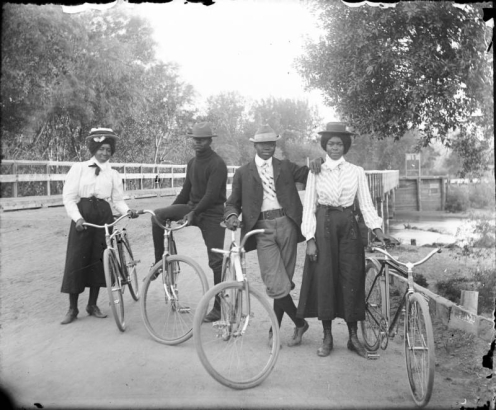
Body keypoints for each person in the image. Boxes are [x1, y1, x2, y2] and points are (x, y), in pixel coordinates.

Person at [297, 121, 396, 358]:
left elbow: (366, 203)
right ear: (324, 145)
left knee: (353, 276)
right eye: (330, 143)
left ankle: (353, 337)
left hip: (349, 226)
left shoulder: (356, 172)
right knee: (325, 279)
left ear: (346, 145)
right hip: (323, 226)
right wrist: (310, 238)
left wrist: (377, 228)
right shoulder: (316, 171)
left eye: (339, 143)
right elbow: (309, 206)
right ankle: (328, 336)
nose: (334, 148)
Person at [224, 125, 311, 347]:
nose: (267, 148)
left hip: (288, 226)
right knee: (275, 282)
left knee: (283, 282)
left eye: (271, 144)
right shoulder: (243, 173)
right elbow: (232, 202)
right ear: (255, 145)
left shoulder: (285, 167)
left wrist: (319, 164)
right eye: (263, 144)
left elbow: (309, 175)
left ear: (275, 145)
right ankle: (299, 322)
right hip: (261, 229)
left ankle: (275, 329)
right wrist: (232, 216)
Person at [61, 128, 138, 325]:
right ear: (94, 148)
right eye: (101, 149)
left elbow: (118, 200)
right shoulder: (78, 168)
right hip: (83, 216)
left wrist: (127, 211)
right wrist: (77, 218)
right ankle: (72, 308)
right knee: (77, 259)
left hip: (103, 216)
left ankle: (92, 304)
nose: (104, 153)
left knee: (99, 259)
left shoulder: (113, 174)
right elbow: (69, 198)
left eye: (108, 149)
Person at [151, 122, 227, 322]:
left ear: (210, 141)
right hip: (194, 207)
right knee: (157, 216)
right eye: (195, 139)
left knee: (216, 261)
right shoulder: (192, 163)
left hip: (212, 213)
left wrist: (193, 212)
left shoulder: (218, 164)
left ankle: (219, 307)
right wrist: (170, 213)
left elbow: (211, 196)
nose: (198, 143)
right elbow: (186, 192)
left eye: (202, 139)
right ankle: (159, 263)